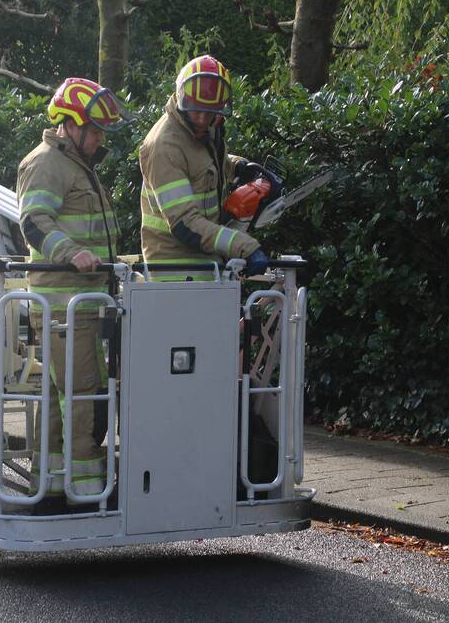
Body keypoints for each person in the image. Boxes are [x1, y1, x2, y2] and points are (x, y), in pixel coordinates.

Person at [16, 77, 130, 511]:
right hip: (66, 305)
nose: (100, 138)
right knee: (85, 394)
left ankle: (54, 483)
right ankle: (85, 491)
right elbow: (33, 221)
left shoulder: (76, 166)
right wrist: (72, 253)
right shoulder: (47, 163)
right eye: (95, 130)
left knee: (63, 396)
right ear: (69, 125)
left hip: (79, 304)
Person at [139, 55, 270, 280]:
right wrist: (244, 246)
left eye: (209, 112)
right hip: (176, 274)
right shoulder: (165, 146)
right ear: (182, 99)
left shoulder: (201, 130)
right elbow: (185, 225)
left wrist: (237, 167)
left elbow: (202, 161)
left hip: (207, 266)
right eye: (196, 110)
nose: (201, 119)